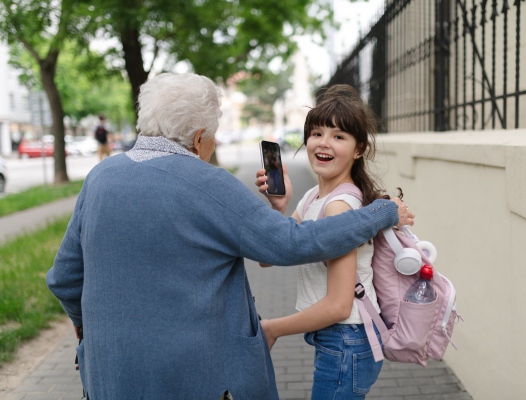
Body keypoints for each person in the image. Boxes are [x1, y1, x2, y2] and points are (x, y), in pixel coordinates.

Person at [45, 73, 414, 400]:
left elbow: (63, 279)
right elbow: (289, 244)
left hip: (109, 376)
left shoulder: (100, 177)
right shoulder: (210, 184)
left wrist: (87, 330)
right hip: (199, 376)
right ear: (200, 137)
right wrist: (382, 212)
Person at [255, 85, 410, 399]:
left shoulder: (339, 206)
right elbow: (269, 255)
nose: (323, 143)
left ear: (359, 149)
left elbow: (339, 306)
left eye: (338, 136)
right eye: (316, 133)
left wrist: (273, 328)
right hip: (340, 341)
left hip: (347, 341)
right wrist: (279, 206)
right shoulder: (314, 196)